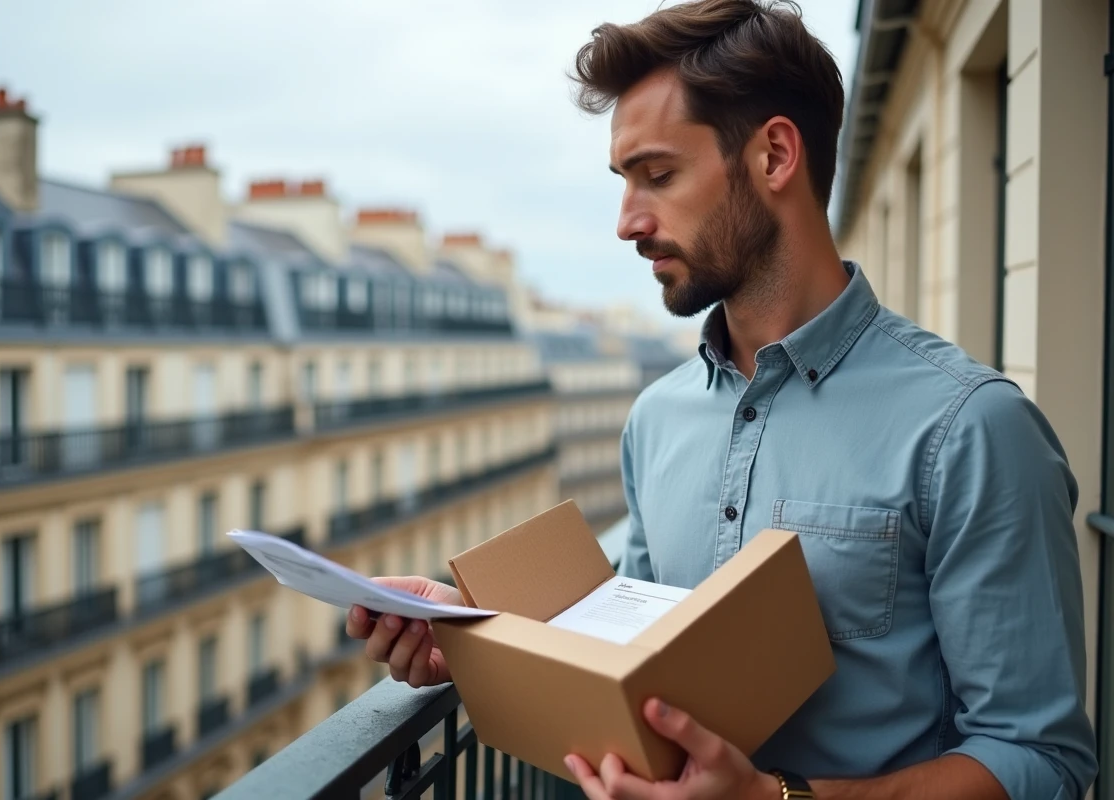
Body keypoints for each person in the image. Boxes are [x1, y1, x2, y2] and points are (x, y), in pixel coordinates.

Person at [345, 0, 1099, 797]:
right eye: (624, 181)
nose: (627, 222)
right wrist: (472, 632)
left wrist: (774, 799)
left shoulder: (972, 427)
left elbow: (1041, 760)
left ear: (774, 155)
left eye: (658, 175)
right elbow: (626, 658)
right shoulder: (656, 418)